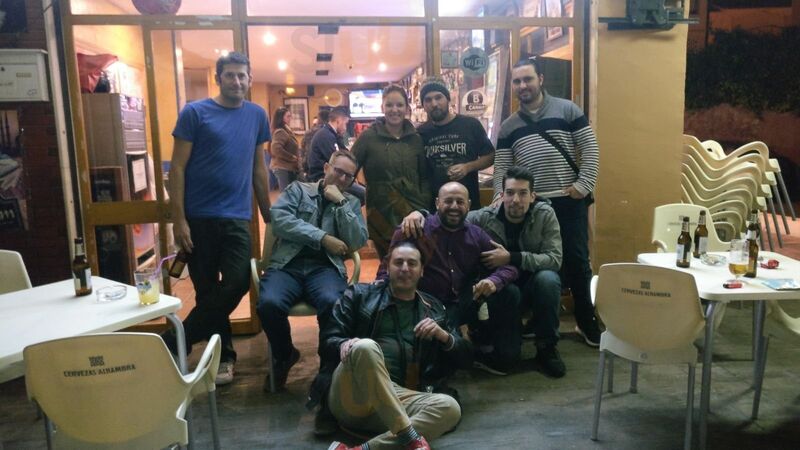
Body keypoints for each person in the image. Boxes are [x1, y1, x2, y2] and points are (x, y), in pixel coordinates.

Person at [164, 51, 271, 385]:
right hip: (198, 219)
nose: (237, 81)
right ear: (218, 78)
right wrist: (178, 220)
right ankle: (223, 357)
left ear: (249, 79)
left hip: (237, 218)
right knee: (208, 291)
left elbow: (258, 169)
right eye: (230, 75)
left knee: (238, 282)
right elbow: (176, 168)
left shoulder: (257, 115)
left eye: (242, 75)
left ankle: (176, 339)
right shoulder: (195, 113)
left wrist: (269, 215)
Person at [492, 57, 601, 347]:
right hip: (533, 206)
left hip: (568, 201)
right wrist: (500, 199)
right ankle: (538, 319)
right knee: (538, 265)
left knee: (577, 262)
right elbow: (502, 168)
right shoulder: (508, 127)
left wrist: (583, 185)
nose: (522, 85)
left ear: (540, 79)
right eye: (517, 81)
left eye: (527, 79)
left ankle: (586, 321)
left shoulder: (567, 110)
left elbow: (590, 148)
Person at [321, 241, 472, 450]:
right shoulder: (358, 295)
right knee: (365, 347)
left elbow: (466, 359)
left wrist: (444, 336)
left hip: (399, 398)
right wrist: (343, 344)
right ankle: (409, 437)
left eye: (412, 263)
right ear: (387, 267)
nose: (405, 268)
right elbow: (327, 341)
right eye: (398, 262)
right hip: (354, 394)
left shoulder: (434, 309)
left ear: (421, 271)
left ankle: (364, 448)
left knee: (450, 408)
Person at [256, 150, 367, 391]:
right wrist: (322, 238)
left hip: (325, 268)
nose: (342, 179)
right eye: (338, 171)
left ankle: (328, 367)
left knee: (333, 302)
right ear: (326, 168)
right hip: (287, 265)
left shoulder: (351, 202)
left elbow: (357, 240)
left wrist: (341, 203)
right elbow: (279, 220)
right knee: (269, 304)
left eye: (348, 176)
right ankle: (284, 355)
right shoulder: (298, 190)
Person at [395, 182, 519, 375]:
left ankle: (494, 352)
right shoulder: (416, 229)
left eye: (460, 202)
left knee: (509, 292)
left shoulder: (476, 235)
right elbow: (388, 271)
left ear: (468, 205)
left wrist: (493, 281)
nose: (454, 206)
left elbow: (509, 268)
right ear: (437, 203)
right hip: (427, 306)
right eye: (448, 201)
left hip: (463, 302)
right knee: (441, 365)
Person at [466, 166, 565, 378]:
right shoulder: (485, 217)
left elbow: (554, 259)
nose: (516, 200)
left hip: (533, 287)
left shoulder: (545, 215)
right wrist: (420, 214)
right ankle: (500, 340)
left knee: (548, 279)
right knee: (508, 358)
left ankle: (546, 347)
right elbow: (450, 217)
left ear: (532, 196)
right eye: (510, 193)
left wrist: (512, 257)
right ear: (502, 195)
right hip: (502, 289)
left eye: (523, 193)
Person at [352, 84, 432, 259]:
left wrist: (422, 210)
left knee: (416, 264)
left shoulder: (416, 139)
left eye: (399, 105)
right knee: (388, 265)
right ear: (382, 107)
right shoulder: (368, 137)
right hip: (381, 218)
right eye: (389, 105)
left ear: (407, 108)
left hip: (414, 214)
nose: (394, 110)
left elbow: (424, 178)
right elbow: (348, 171)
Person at [417, 77, 494, 210]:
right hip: (435, 209)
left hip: (468, 207)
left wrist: (468, 167)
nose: (434, 104)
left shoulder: (470, 125)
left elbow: (491, 156)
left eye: (438, 97)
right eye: (428, 100)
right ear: (423, 105)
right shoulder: (420, 133)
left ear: (448, 99)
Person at [307, 106, 350, 182]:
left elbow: (344, 152)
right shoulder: (326, 135)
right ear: (338, 121)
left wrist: (340, 135)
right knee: (361, 189)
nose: (345, 127)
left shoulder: (330, 134)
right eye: (345, 123)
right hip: (321, 179)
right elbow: (337, 161)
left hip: (328, 176)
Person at [269, 106, 300, 191]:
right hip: (282, 167)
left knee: (290, 193)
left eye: (290, 116)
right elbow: (276, 149)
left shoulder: (286, 130)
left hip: (288, 167)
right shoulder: (280, 131)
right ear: (281, 118)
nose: (290, 119)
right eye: (288, 116)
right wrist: (291, 157)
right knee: (286, 193)